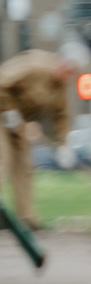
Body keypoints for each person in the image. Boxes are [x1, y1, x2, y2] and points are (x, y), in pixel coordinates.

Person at [0, 49, 71, 232]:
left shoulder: (60, 86)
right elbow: (2, 83)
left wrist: (64, 145)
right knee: (3, 161)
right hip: (3, 114)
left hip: (18, 123)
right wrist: (9, 113)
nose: (68, 76)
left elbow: (60, 116)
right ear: (62, 63)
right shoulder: (35, 66)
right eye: (68, 70)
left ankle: (26, 219)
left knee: (25, 167)